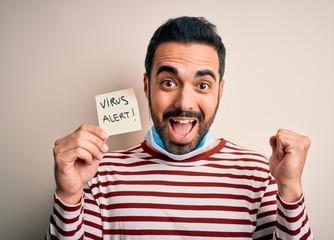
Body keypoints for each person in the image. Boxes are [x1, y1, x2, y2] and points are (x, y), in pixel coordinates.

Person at [46, 16, 313, 239]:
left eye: (203, 85)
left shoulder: (259, 174)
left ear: (220, 92)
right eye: (169, 82)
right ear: (147, 85)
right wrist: (68, 196)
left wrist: (290, 190)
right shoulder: (98, 174)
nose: (184, 102)